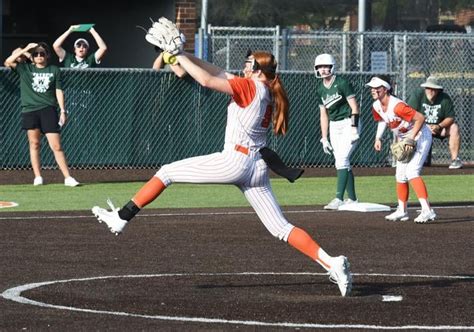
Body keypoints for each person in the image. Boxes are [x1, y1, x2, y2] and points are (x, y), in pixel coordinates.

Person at [92, 50, 353, 297]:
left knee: (167, 172)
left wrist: (180, 55)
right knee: (281, 228)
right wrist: (183, 52)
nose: (244, 67)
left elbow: (206, 80)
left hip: (235, 160)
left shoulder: (250, 86)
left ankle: (122, 218)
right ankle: (332, 262)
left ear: (258, 70)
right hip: (258, 166)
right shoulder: (265, 89)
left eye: (249, 64)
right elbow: (216, 70)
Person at [4, 43, 80, 187]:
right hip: (30, 110)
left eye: (42, 53)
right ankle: (38, 177)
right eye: (36, 54)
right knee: (34, 144)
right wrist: (26, 49)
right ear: (32, 57)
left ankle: (68, 177)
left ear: (47, 55)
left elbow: (59, 90)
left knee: (56, 145)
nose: (39, 56)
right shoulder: (25, 69)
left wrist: (63, 110)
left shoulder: (54, 70)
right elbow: (8, 62)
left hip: (48, 110)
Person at [367, 75, 435, 223]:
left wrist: (411, 138)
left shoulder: (397, 106)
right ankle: (402, 211)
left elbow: (420, 118)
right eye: (372, 88)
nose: (373, 90)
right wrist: (378, 138)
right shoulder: (376, 105)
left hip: (421, 136)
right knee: (400, 175)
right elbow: (382, 121)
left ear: (385, 89)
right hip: (405, 138)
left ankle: (427, 210)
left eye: (377, 87)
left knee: (412, 171)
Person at [314, 54, 360, 210]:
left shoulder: (342, 83)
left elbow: (354, 107)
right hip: (334, 126)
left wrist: (354, 127)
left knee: (342, 160)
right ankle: (353, 199)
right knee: (341, 162)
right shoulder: (320, 89)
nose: (323, 69)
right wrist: (324, 138)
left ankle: (339, 198)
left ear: (332, 67)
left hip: (348, 123)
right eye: (320, 67)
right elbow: (323, 115)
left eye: (326, 66)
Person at [407, 76, 462, 169]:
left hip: (438, 128)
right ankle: (405, 159)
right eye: (428, 88)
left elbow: (450, 117)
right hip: (421, 128)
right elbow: (409, 114)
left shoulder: (444, 98)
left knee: (454, 128)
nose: (431, 91)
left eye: (434, 89)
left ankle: (455, 160)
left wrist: (439, 126)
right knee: (403, 127)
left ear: (438, 90)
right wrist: (425, 126)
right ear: (425, 88)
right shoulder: (417, 95)